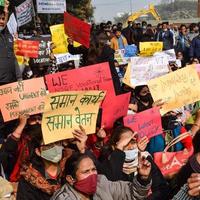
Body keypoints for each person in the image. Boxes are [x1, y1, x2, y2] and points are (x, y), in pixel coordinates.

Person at [98, 126, 169, 200]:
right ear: (115, 146)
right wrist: (119, 151)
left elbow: (161, 188)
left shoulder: (144, 159)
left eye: (133, 142)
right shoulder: (108, 164)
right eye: (126, 143)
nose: (131, 147)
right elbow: (112, 186)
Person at [51, 152, 152, 200]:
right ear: (70, 179)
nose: (92, 175)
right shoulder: (63, 198)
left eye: (93, 169)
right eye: (86, 172)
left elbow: (131, 193)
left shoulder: (101, 182)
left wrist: (142, 178)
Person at [0, 1, 21, 85]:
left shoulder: (9, 37)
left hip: (12, 80)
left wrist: (19, 77)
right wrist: (6, 11)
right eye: (0, 18)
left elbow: (13, 57)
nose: (2, 21)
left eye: (3, 19)